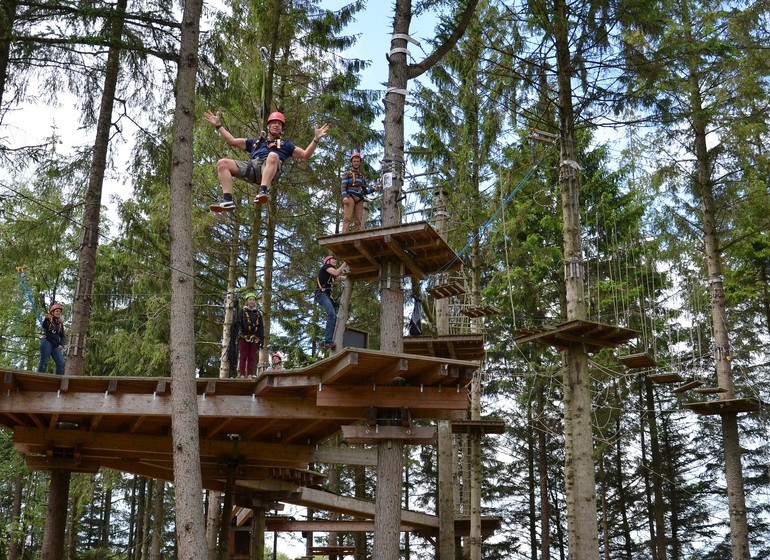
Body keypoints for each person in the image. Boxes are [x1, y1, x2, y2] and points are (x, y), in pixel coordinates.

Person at [204, 110, 330, 211]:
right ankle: (227, 200)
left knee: (273, 155)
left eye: (279, 124)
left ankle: (263, 191)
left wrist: (316, 139)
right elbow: (231, 141)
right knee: (222, 163)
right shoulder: (256, 142)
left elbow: (305, 154)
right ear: (268, 126)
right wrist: (218, 125)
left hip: (271, 169)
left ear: (282, 129)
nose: (276, 125)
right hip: (253, 168)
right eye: (274, 123)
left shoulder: (286, 145)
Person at [315, 255, 347, 349]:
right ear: (327, 261)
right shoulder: (325, 267)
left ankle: (334, 334)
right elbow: (337, 272)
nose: (335, 261)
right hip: (321, 295)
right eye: (333, 259)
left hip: (327, 297)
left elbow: (338, 277)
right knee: (331, 314)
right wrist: (345, 262)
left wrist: (350, 277)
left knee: (340, 305)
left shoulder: (331, 274)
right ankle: (328, 341)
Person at [340, 151, 375, 233]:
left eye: (358, 161)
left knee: (358, 220)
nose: (356, 163)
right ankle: (344, 236)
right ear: (351, 162)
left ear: (360, 163)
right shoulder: (347, 174)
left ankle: (357, 236)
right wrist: (344, 197)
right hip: (350, 196)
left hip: (359, 198)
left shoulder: (361, 176)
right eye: (354, 161)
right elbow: (343, 186)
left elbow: (365, 191)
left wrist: (374, 189)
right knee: (347, 218)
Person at [237, 293, 264, 378]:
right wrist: (239, 332)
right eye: (250, 299)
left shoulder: (258, 314)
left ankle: (250, 374)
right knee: (243, 356)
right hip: (244, 337)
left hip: (254, 338)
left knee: (252, 357)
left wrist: (261, 339)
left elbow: (261, 327)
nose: (252, 301)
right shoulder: (242, 312)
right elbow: (238, 323)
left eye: (253, 300)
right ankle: (241, 374)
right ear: (247, 301)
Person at [38, 303, 66, 375]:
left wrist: (61, 344)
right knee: (44, 361)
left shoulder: (60, 324)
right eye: (57, 311)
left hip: (55, 345)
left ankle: (59, 381)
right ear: (52, 312)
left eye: (59, 312)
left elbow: (63, 336)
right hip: (47, 341)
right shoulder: (49, 320)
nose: (58, 313)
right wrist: (46, 319)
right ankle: (39, 377)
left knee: (61, 363)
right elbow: (44, 326)